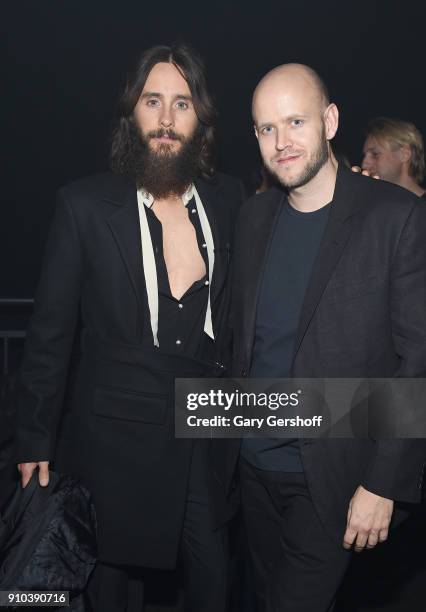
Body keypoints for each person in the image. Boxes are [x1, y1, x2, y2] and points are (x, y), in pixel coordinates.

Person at [15, 44, 243, 612]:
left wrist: (355, 191)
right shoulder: (84, 206)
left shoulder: (231, 200)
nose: (166, 120)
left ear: (201, 120)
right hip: (114, 441)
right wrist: (35, 438)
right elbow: (49, 336)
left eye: (182, 104)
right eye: (153, 101)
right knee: (111, 593)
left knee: (216, 583)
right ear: (132, 114)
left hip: (205, 435)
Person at [212, 63, 426, 611]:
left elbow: (417, 360)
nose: (282, 142)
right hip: (252, 472)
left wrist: (385, 483)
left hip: (333, 480)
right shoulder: (253, 217)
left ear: (330, 121)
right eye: (266, 129)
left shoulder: (395, 216)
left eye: (296, 121)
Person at [362, 116, 426, 197]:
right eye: (365, 155)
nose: (364, 164)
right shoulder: (373, 203)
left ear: (404, 155)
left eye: (375, 154)